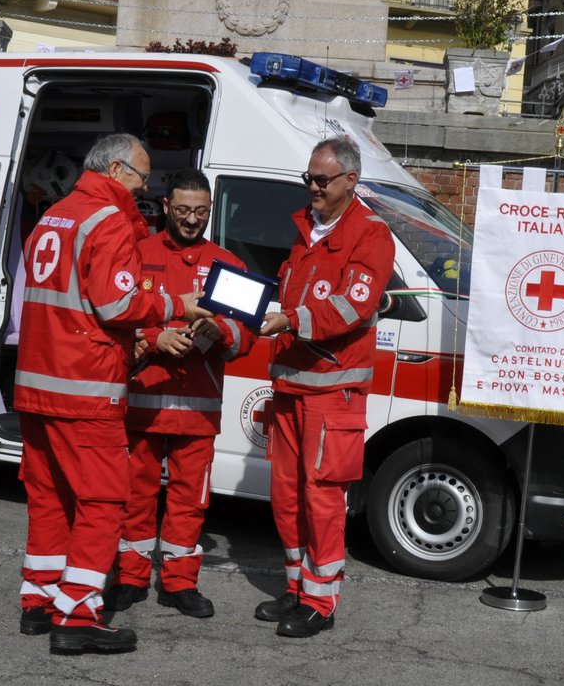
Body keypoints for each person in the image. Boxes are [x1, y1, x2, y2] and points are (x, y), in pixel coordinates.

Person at [13, 133, 210, 654]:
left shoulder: (53, 217)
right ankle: (77, 616)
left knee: (49, 498)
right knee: (102, 502)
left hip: (37, 385)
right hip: (85, 387)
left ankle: (39, 599)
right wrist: (177, 305)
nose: (145, 188)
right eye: (143, 177)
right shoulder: (108, 220)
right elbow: (117, 305)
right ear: (119, 169)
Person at [254, 136, 394, 638]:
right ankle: (295, 588)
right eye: (308, 178)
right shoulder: (305, 229)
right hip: (291, 386)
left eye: (321, 179)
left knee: (322, 498)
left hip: (333, 393)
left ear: (350, 181)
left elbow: (352, 307)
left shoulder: (370, 235)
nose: (311, 187)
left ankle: (321, 600)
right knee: (286, 495)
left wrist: (288, 320)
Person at [107, 169, 255, 620]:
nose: (192, 220)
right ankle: (130, 578)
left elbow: (246, 336)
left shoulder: (229, 265)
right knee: (135, 495)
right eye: (185, 210)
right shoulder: (137, 253)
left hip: (197, 406)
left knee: (191, 500)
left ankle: (179, 583)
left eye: (201, 212)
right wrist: (154, 340)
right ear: (166, 207)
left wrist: (218, 329)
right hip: (142, 401)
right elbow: (116, 316)